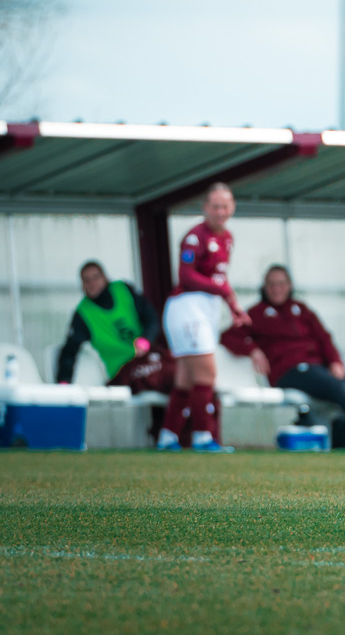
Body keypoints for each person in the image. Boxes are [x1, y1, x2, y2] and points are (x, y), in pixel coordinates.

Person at [221, 265, 345, 445]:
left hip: (316, 368)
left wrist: (335, 362)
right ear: (264, 287)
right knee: (337, 387)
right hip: (288, 371)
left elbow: (323, 338)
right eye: (272, 284)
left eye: (281, 283)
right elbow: (228, 336)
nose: (277, 289)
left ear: (290, 285)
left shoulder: (301, 310)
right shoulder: (255, 314)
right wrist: (252, 350)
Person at [158, 183, 252, 453]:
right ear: (205, 208)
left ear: (232, 207)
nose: (220, 211)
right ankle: (202, 437)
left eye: (225, 206)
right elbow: (186, 276)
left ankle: (168, 436)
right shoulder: (195, 236)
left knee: (186, 378)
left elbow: (221, 280)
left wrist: (234, 307)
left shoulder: (228, 237)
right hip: (187, 308)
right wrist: (221, 290)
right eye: (215, 206)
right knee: (208, 372)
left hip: (206, 308)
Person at [56, 261, 175, 394]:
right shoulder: (83, 314)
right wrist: (63, 383)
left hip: (150, 357)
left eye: (95, 277)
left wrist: (146, 339)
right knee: (162, 378)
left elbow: (151, 318)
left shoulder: (123, 289)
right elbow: (69, 352)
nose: (92, 283)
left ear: (105, 277)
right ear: (82, 285)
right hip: (122, 370)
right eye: (86, 280)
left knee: (179, 372)